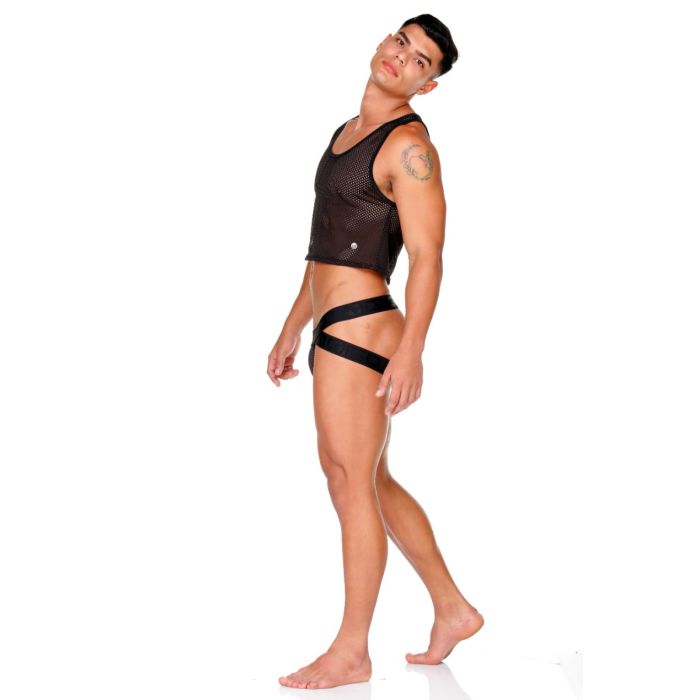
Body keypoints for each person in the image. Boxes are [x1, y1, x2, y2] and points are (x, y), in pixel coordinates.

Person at [267, 14, 483, 690]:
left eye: (421, 61)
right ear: (385, 41)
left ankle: (352, 651)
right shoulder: (346, 133)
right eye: (402, 42)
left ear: (428, 85)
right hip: (333, 323)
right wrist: (292, 325)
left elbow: (428, 256)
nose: (402, 58)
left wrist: (413, 350)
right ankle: (452, 608)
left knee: (347, 480)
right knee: (372, 482)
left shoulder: (410, 148)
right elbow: (325, 246)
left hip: (364, 329)